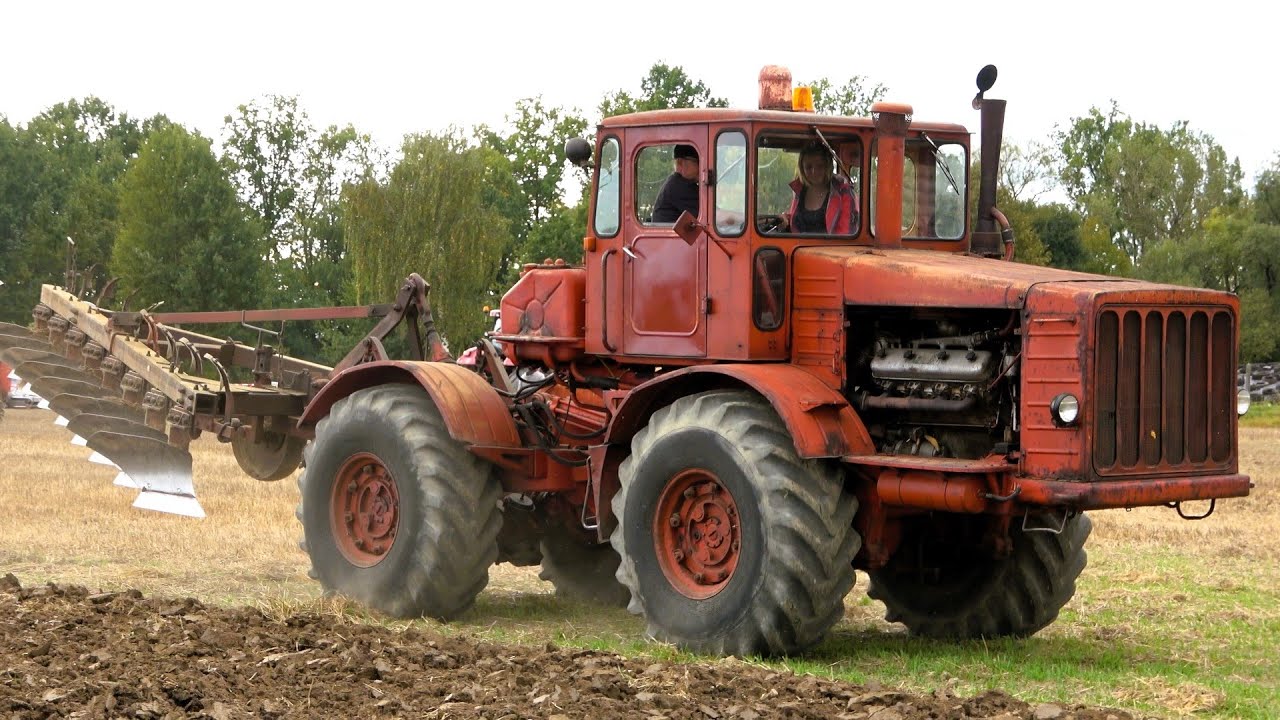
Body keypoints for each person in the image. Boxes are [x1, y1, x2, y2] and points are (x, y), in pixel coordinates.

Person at [785, 142, 857, 234]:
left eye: (819, 166)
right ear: (802, 168)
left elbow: (846, 234)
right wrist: (786, 220)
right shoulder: (799, 190)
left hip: (831, 244)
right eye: (808, 167)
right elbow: (795, 222)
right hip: (797, 243)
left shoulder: (843, 192)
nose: (814, 172)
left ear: (828, 166)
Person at [651, 144, 699, 223]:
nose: (703, 167)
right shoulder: (680, 186)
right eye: (698, 161)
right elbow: (715, 216)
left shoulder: (675, 183)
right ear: (680, 162)